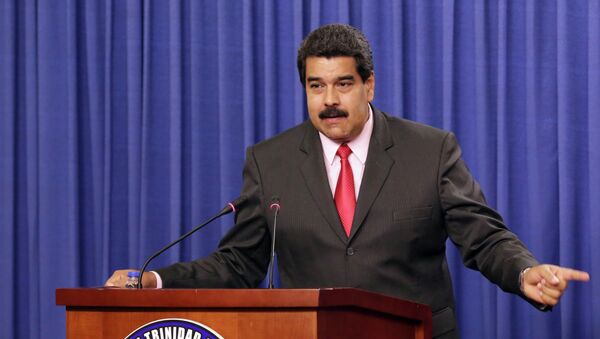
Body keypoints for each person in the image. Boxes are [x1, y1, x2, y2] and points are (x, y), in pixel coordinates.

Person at [106, 24, 589, 338]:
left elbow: (483, 237)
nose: (329, 99)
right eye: (317, 86)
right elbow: (239, 262)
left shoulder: (430, 149)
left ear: (369, 85)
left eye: (343, 84)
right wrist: (156, 279)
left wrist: (525, 272)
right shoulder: (270, 160)